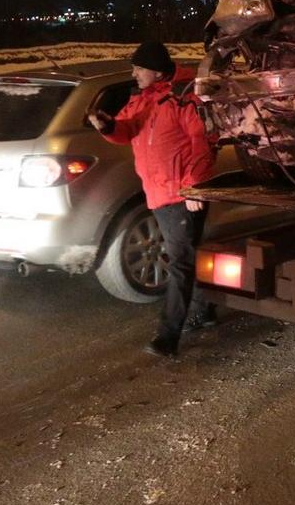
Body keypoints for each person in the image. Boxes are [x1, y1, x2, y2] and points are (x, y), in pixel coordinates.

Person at [89, 41, 217, 356]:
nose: (134, 74)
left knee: (180, 262)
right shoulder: (143, 99)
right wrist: (107, 126)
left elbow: (204, 142)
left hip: (182, 194)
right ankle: (204, 311)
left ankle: (168, 336)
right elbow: (127, 130)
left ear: (157, 71)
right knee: (183, 256)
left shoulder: (184, 97)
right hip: (158, 193)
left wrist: (194, 186)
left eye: (138, 68)